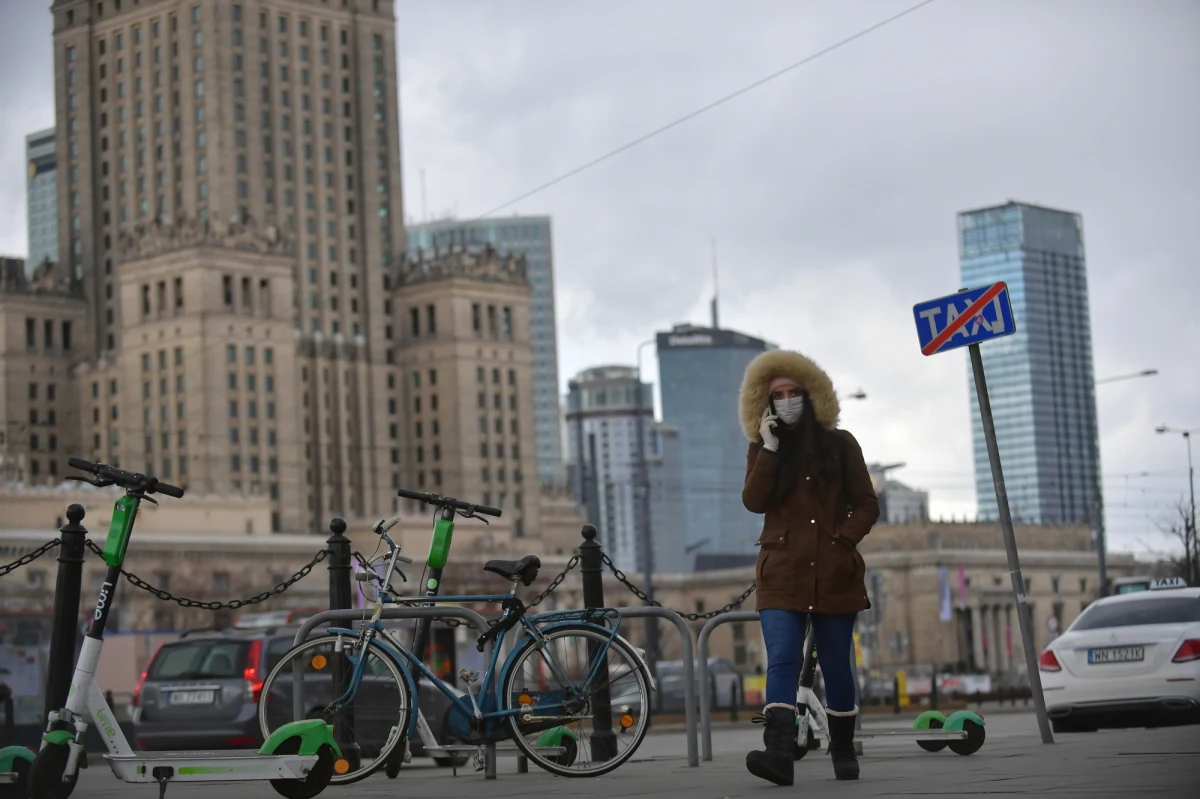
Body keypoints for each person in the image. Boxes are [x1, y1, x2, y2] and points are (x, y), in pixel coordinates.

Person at [738, 349, 879, 785]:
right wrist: (771, 449)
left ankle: (842, 751)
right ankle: (778, 754)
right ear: (765, 401)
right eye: (777, 394)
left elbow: (867, 504)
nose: (786, 400)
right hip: (781, 573)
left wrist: (842, 541)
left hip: (834, 573)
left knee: (837, 664)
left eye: (794, 392)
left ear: (811, 394)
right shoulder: (764, 448)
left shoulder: (841, 444)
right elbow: (753, 502)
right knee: (781, 659)